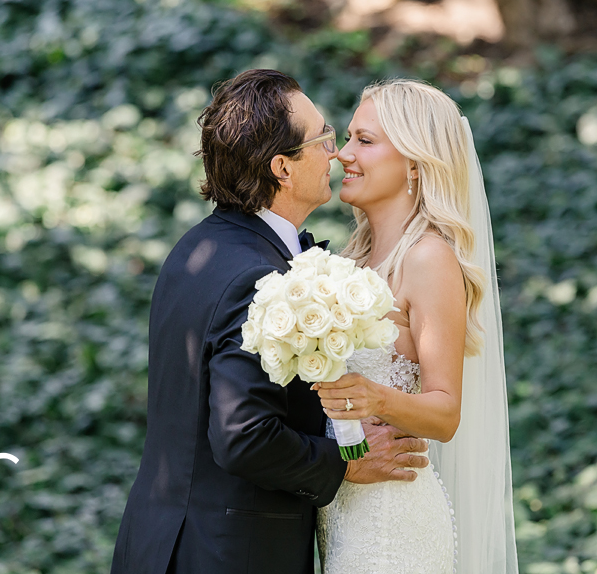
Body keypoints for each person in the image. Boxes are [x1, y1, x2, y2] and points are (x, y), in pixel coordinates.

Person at [110, 69, 431, 574]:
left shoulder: (196, 249)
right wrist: (345, 463)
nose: (338, 153)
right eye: (325, 138)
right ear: (282, 167)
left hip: (160, 543)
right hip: (228, 553)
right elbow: (244, 434)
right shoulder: (257, 277)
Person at [314, 80, 519, 573]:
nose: (343, 154)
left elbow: (446, 413)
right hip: (341, 517)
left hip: (393, 529)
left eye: (364, 140)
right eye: (348, 138)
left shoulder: (428, 258)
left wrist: (376, 398)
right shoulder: (348, 261)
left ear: (413, 162)